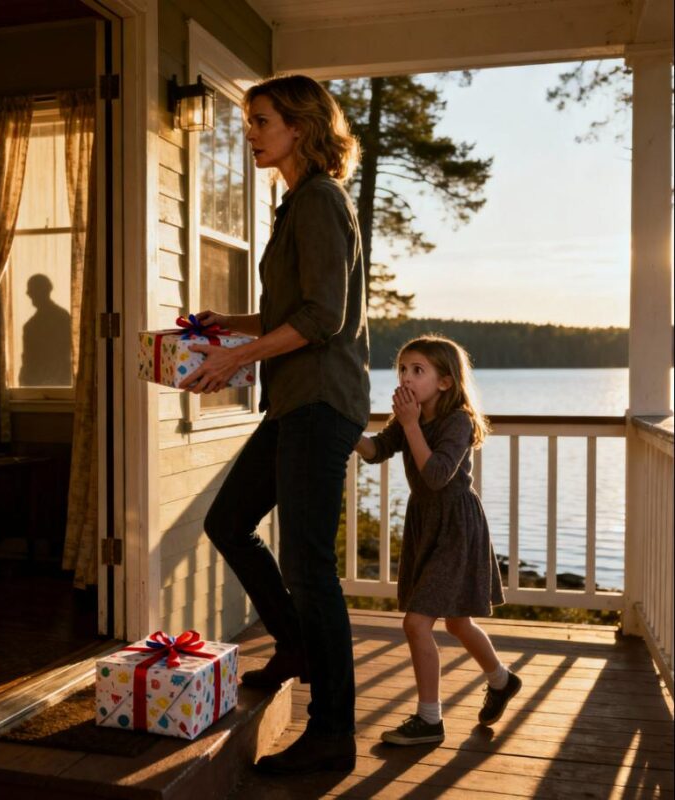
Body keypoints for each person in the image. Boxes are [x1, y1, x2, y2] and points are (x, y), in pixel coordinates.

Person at [183, 75, 370, 774]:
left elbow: (325, 318)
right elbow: (293, 310)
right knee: (229, 523)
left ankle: (332, 733)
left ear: (299, 125)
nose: (251, 132)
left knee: (310, 566)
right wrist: (223, 324)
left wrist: (237, 355)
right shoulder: (296, 207)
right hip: (295, 403)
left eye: (260, 120)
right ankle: (292, 645)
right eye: (249, 121)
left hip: (322, 404)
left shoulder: (320, 200)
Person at [355, 335, 521, 745]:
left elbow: (435, 475)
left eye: (418, 370)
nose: (407, 378)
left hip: (455, 526)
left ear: (445, 382)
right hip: (425, 523)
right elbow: (375, 451)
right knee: (458, 621)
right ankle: (501, 680)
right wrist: (346, 428)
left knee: (417, 621)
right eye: (403, 370)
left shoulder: (457, 421)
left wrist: (411, 425)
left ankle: (430, 720)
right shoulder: (408, 419)